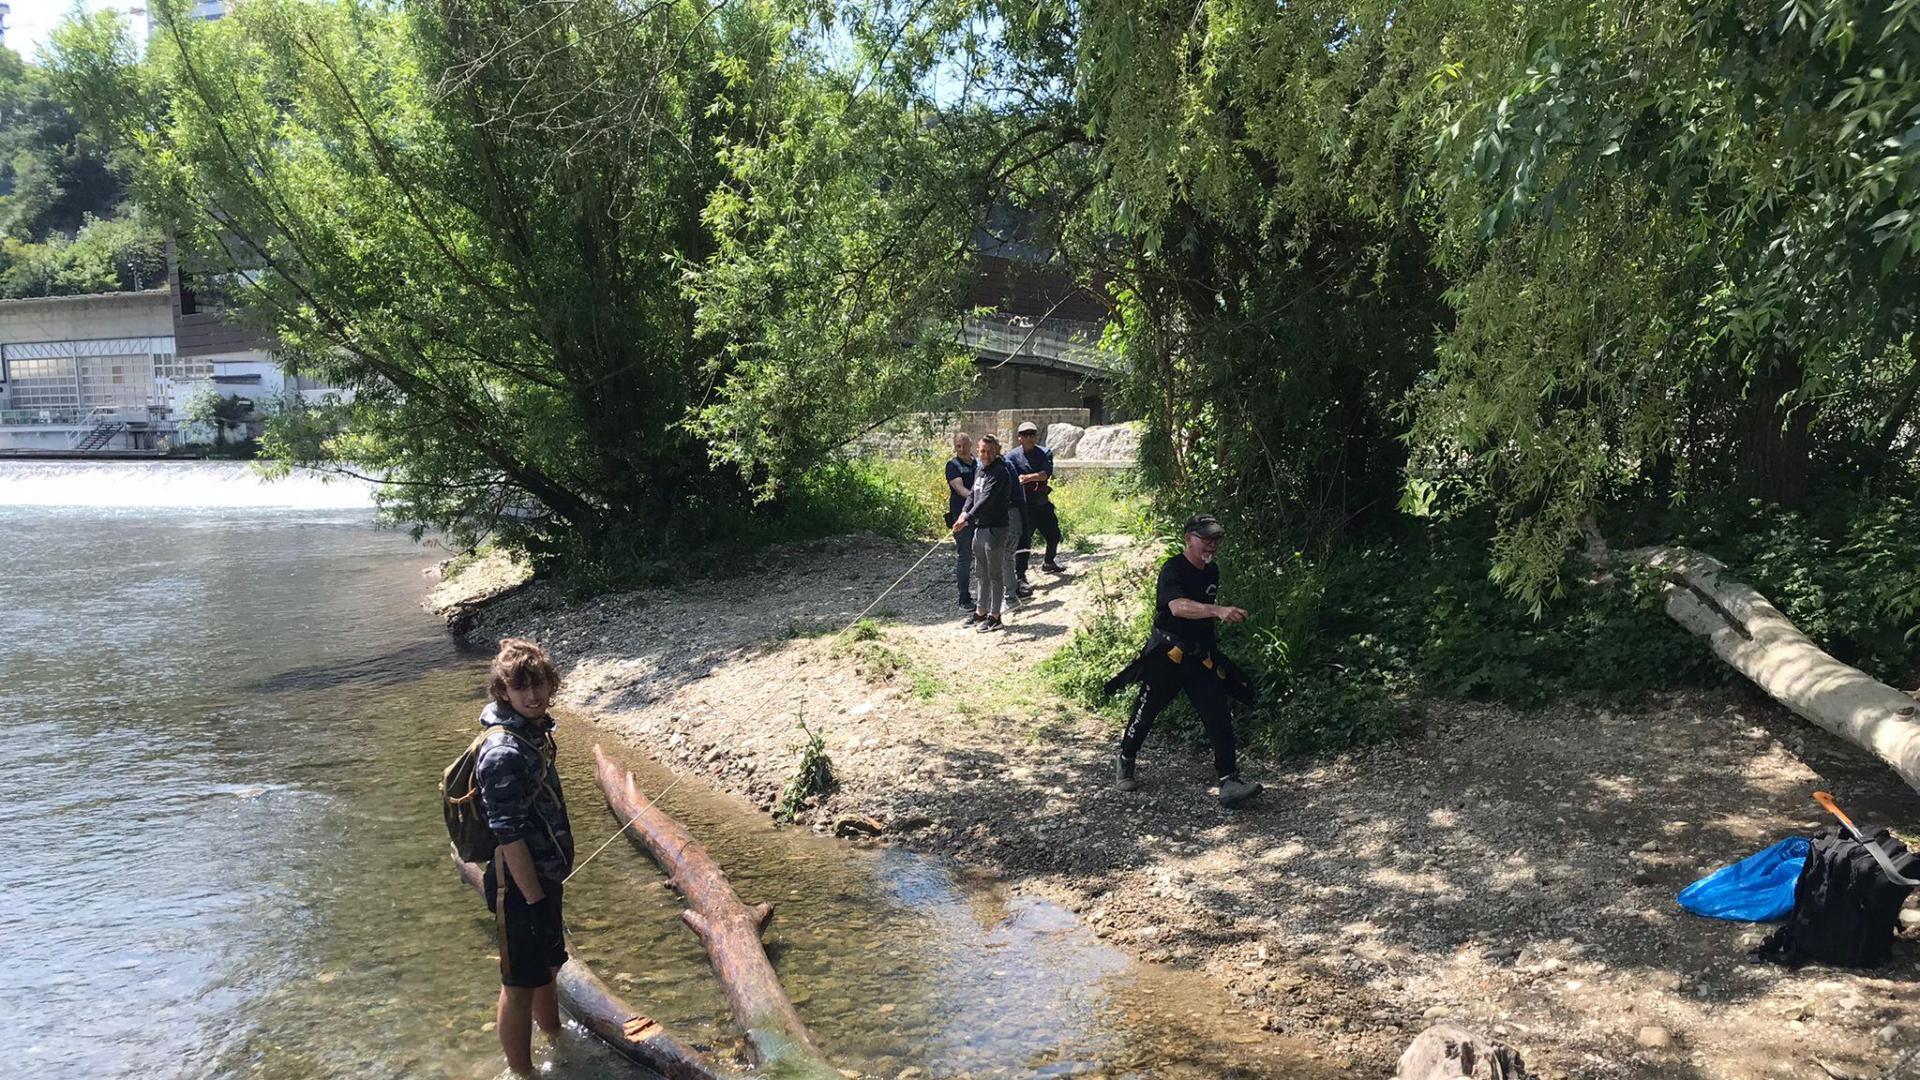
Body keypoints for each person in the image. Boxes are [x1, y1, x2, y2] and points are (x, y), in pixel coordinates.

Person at [1102, 515, 1264, 807]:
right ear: (1189, 538)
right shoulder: (1173, 569)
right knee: (1147, 709)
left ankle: (1229, 781)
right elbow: (1177, 607)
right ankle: (1126, 758)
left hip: (1200, 657)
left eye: (1216, 540)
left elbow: (1202, 614)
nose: (1212, 546)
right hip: (1167, 656)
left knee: (1218, 712)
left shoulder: (1212, 571)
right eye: (1206, 539)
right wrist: (1217, 610)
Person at [475, 638, 576, 1076]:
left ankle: (558, 1041)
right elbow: (508, 836)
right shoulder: (502, 753)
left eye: (539, 685)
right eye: (521, 689)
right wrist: (534, 899)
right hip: (517, 885)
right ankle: (522, 1072)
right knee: (518, 983)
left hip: (543, 877)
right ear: (503, 692)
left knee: (548, 965)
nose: (532, 696)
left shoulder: (533, 730)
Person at [951, 433, 1015, 631]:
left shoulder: (1000, 472)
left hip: (996, 528)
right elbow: (972, 496)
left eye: (989, 451)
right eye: (982, 451)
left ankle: (995, 617)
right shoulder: (980, 469)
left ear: (996, 452)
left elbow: (986, 499)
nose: (985, 455)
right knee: (981, 573)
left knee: (994, 573)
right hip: (980, 527)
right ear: (978, 451)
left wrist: (967, 518)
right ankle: (980, 613)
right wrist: (963, 513)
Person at [1007, 420, 1064, 578]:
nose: (1029, 437)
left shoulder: (1045, 452)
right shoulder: (1011, 457)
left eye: (1032, 434)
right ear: (1020, 437)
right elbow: (1012, 479)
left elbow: (1046, 474)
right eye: (1025, 435)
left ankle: (1049, 561)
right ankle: (1020, 575)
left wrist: (1026, 478)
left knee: (1054, 534)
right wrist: (1033, 477)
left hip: (1042, 502)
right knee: (1023, 542)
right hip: (1024, 506)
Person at [944, 432, 977, 610]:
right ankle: (964, 597)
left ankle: (986, 594)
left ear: (970, 445)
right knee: (965, 556)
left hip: (981, 515)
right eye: (958, 446)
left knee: (984, 554)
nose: (962, 449)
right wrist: (978, 499)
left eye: (964, 445)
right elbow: (959, 488)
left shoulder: (979, 463)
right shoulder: (952, 465)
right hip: (961, 516)